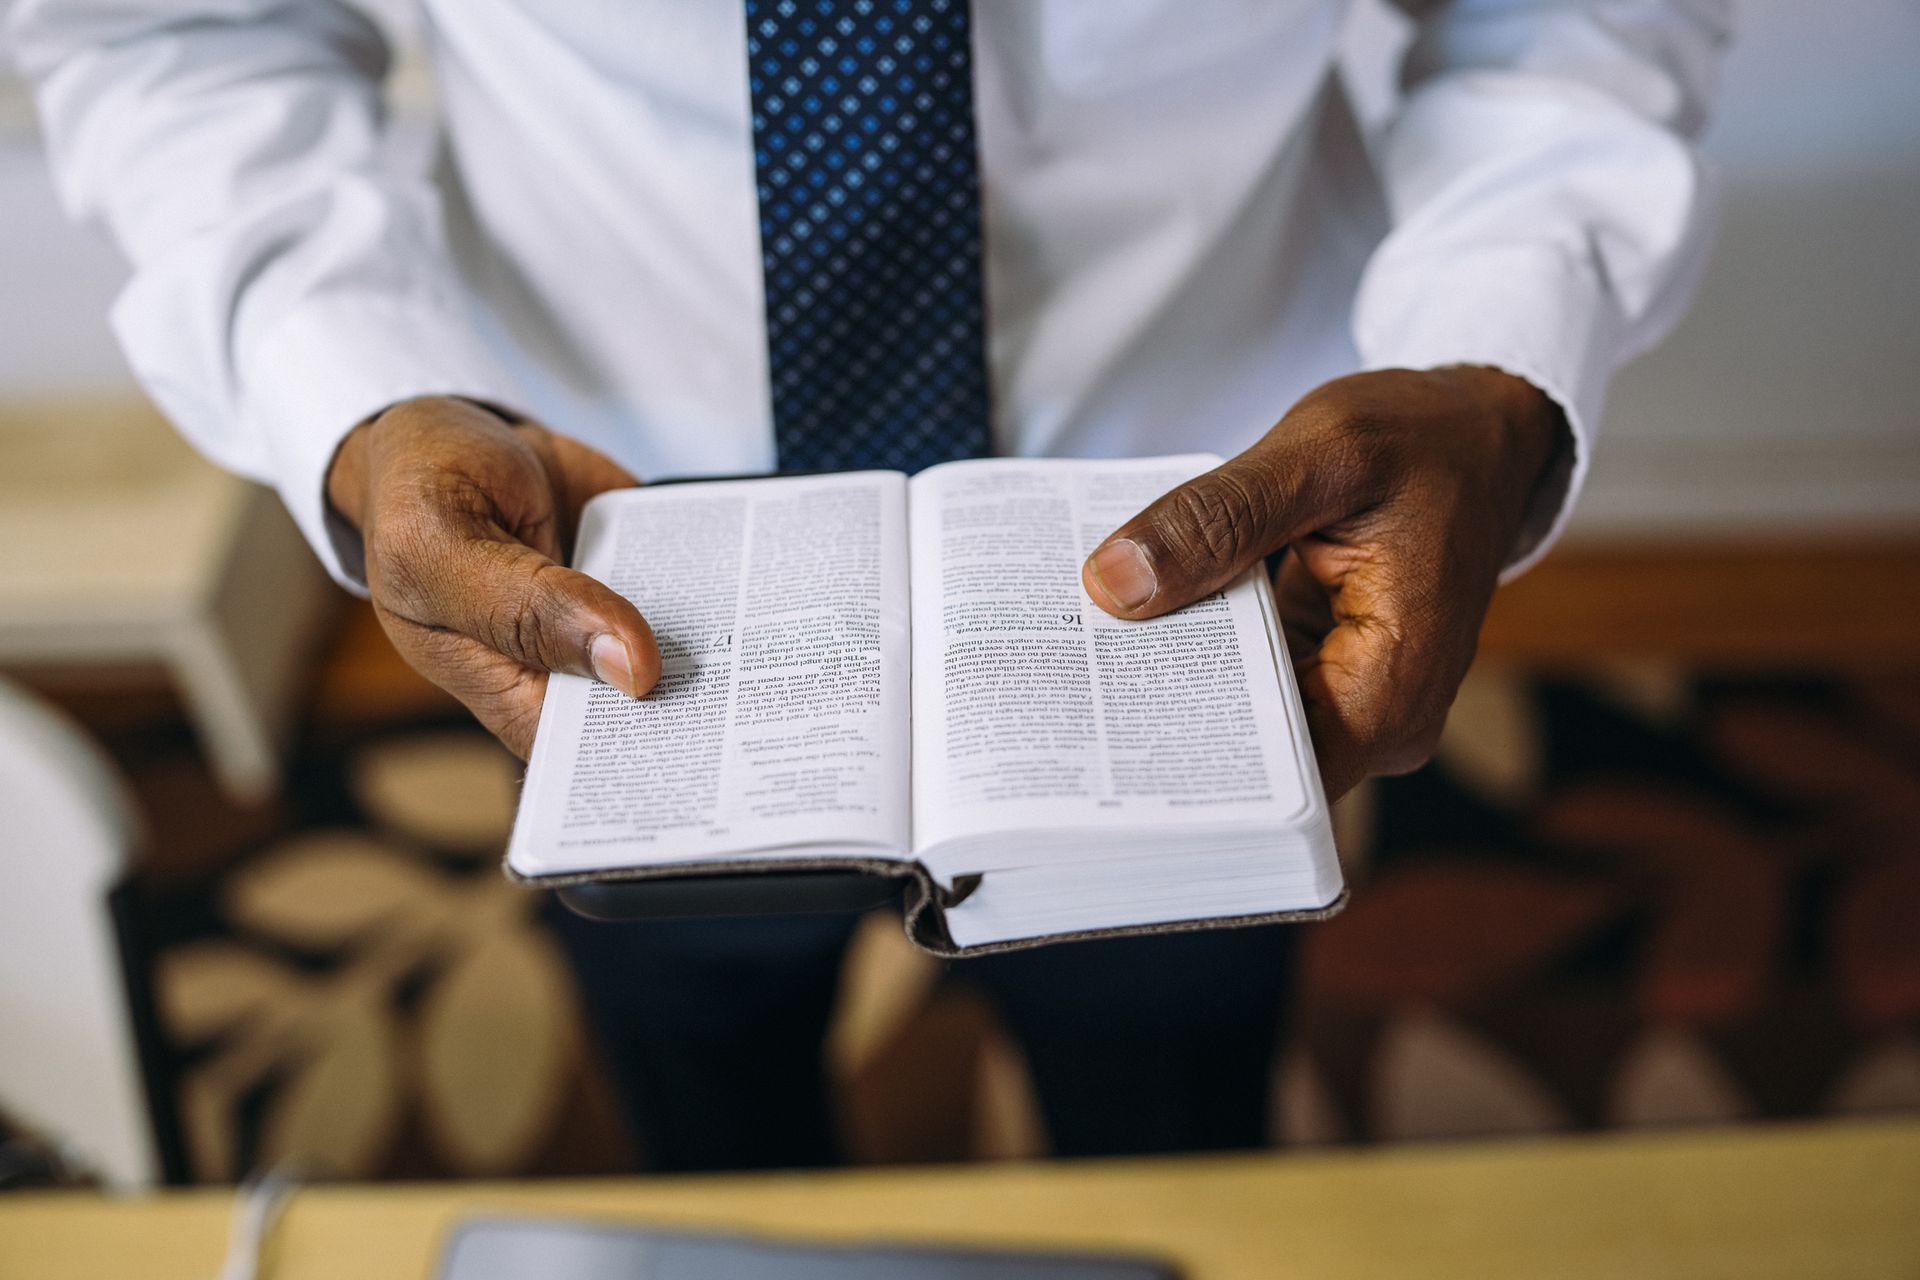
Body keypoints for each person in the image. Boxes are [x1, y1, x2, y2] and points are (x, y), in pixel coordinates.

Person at [11, 0, 1728, 1167]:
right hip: (608, 530)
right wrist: (352, 389)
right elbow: (181, 28)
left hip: (1208, 525)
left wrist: (1499, 358)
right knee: (704, 1084)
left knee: (1170, 1082)